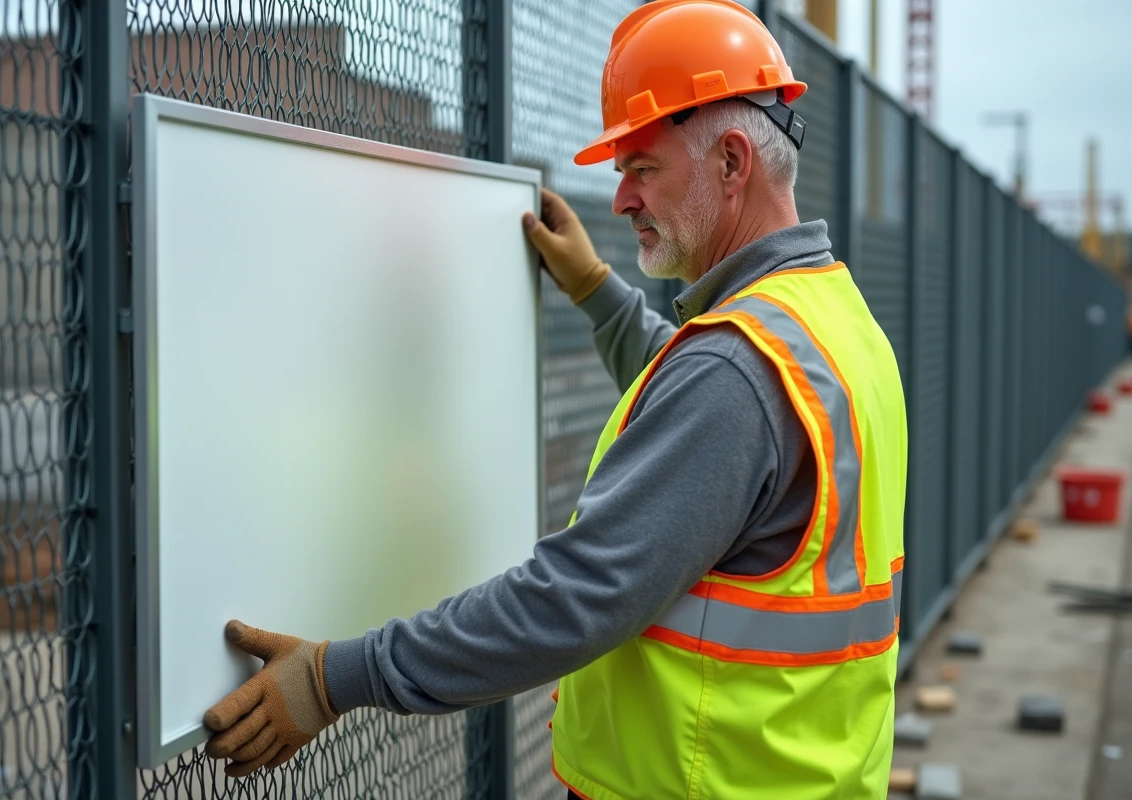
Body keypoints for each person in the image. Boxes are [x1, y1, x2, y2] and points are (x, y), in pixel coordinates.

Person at [202, 1, 908, 796]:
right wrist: (598, 291)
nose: (621, 200)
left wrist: (333, 679)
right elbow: (715, 437)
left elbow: (574, 599)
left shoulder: (737, 370)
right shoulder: (831, 324)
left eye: (642, 168)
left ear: (732, 163)